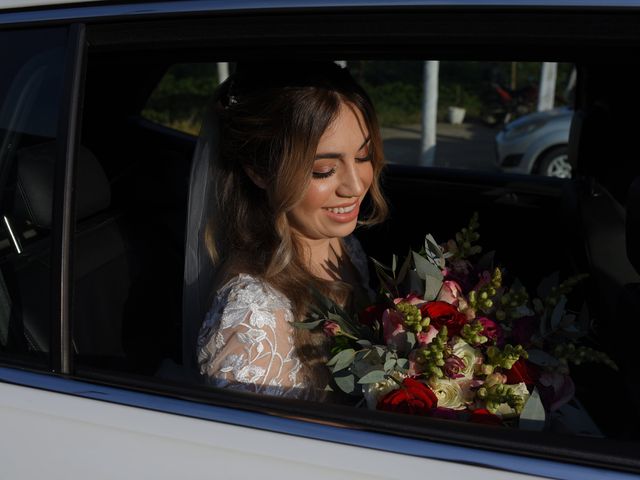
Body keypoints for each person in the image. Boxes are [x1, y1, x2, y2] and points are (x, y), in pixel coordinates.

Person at [196, 62, 388, 400]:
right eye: (324, 170)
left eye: (364, 156)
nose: (356, 186)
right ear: (259, 172)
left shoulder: (343, 246)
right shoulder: (253, 318)